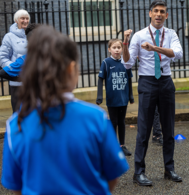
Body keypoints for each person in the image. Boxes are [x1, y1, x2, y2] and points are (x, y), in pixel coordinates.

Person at [1, 25, 129, 195]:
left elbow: (16, 187)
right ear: (72, 70)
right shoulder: (96, 118)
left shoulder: (15, 125)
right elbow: (112, 176)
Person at [122, 0, 183, 186]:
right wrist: (125, 43)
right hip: (147, 82)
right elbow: (127, 63)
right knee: (144, 130)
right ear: (150, 14)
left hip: (166, 82)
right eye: (155, 11)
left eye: (162, 11)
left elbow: (178, 54)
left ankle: (169, 169)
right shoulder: (139, 35)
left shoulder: (171, 33)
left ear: (167, 15)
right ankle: (138, 172)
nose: (158, 14)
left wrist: (154, 48)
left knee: (168, 129)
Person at [96, 38, 134, 156]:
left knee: (122, 122)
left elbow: (129, 80)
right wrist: (99, 96)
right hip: (112, 99)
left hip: (123, 99)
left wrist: (131, 96)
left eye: (119, 47)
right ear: (109, 50)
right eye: (114, 48)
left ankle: (122, 145)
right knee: (113, 122)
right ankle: (112, 147)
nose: (117, 50)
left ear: (122, 49)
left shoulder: (126, 62)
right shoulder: (106, 62)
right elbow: (100, 79)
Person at [0, 9, 30, 113]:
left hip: (31, 81)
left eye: (27, 18)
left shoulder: (31, 35)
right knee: (18, 113)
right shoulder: (9, 36)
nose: (25, 20)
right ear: (16, 20)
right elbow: (3, 57)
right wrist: (13, 69)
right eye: (22, 18)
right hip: (17, 81)